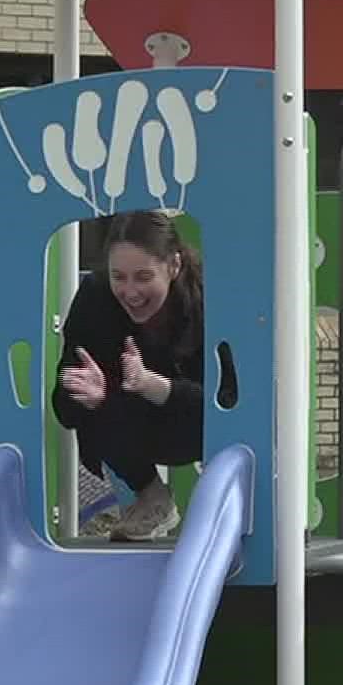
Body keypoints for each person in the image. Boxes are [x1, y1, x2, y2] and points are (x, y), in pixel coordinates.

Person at [52, 210, 237, 541]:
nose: (131, 292)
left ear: (174, 266)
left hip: (202, 424)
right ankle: (151, 495)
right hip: (132, 429)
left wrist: (155, 386)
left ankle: (227, 503)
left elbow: (230, 401)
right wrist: (88, 396)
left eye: (143, 277)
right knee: (93, 409)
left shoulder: (211, 301)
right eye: (118, 277)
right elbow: (64, 410)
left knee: (234, 419)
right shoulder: (95, 298)